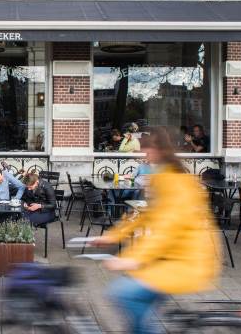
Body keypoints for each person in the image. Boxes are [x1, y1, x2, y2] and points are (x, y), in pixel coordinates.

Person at [91, 128, 220, 334]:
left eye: (147, 150)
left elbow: (165, 229)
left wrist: (132, 258)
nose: (144, 155)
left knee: (122, 293)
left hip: (185, 260)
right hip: (169, 257)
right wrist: (112, 237)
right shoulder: (162, 177)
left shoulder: (172, 182)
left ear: (159, 150)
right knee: (136, 301)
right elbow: (144, 215)